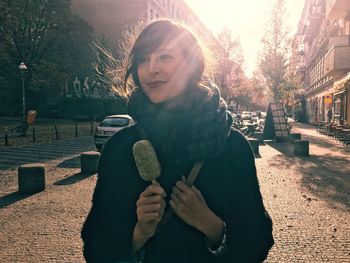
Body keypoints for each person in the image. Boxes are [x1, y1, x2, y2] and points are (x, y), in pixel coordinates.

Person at [81, 19, 273, 263]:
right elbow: (95, 248)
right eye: (143, 59)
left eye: (164, 57)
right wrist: (139, 234)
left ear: (191, 65)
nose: (152, 69)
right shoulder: (119, 148)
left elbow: (258, 242)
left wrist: (212, 226)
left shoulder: (231, 146)